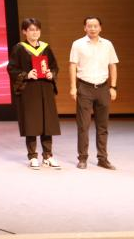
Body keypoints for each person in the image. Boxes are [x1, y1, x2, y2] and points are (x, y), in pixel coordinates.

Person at [7, 18, 61, 169]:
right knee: (31, 123)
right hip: (29, 90)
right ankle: (32, 156)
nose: (35, 32)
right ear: (24, 31)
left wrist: (51, 74)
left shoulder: (46, 47)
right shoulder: (19, 48)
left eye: (37, 29)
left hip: (45, 89)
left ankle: (48, 156)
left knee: (47, 122)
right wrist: (26, 74)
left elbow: (54, 66)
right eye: (31, 29)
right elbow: (11, 69)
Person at [69, 16, 119, 170]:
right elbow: (72, 66)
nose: (92, 28)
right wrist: (73, 87)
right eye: (89, 26)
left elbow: (113, 66)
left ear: (100, 28)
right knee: (83, 125)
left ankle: (102, 158)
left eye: (95, 26)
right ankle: (82, 158)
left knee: (103, 126)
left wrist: (113, 87)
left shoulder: (108, 44)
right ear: (85, 28)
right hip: (84, 87)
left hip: (103, 88)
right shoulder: (78, 44)